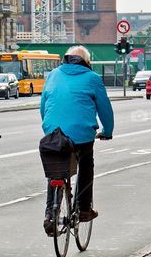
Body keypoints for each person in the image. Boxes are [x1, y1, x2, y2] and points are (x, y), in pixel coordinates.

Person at [40, 46, 114, 233]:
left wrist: (49, 129)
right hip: (81, 135)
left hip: (53, 133)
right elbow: (105, 109)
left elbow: (43, 106)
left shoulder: (53, 74)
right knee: (86, 164)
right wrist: (107, 131)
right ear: (87, 62)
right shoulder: (93, 78)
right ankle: (83, 209)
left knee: (55, 171)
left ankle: (50, 214)